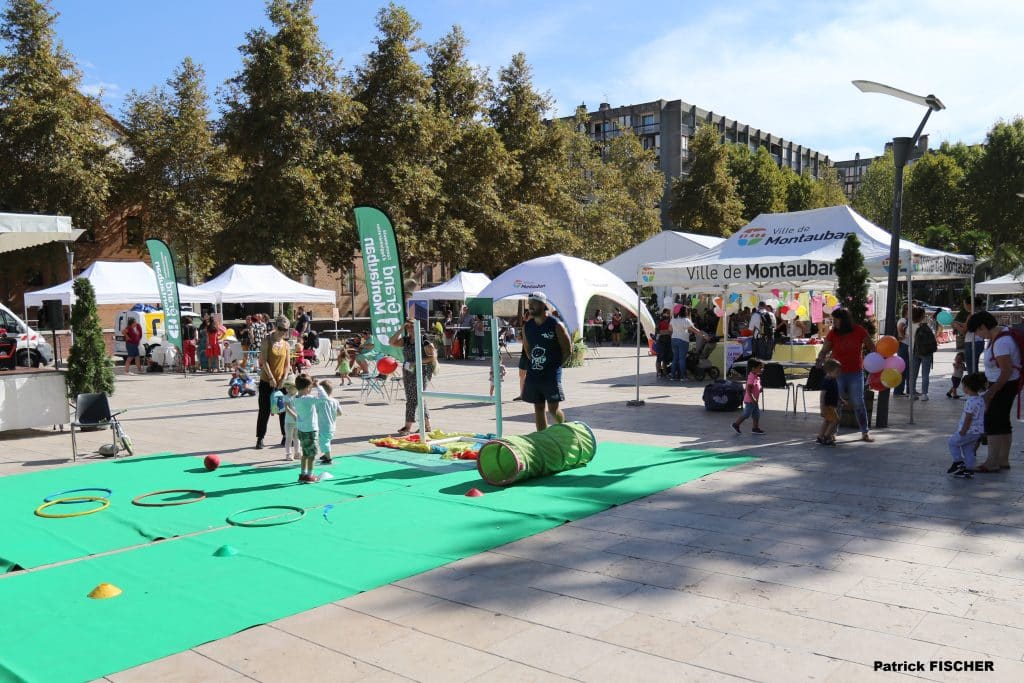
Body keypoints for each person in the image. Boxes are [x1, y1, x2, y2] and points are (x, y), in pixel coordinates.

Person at [967, 311, 1021, 473]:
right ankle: (1003, 460)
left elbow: (1006, 371)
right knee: (1002, 421)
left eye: (977, 331)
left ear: (983, 326)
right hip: (1006, 384)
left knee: (993, 422)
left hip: (1003, 385)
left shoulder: (1001, 343)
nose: (977, 335)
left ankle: (992, 462)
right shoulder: (1000, 335)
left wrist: (991, 392)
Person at [816, 308, 876, 442]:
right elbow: (824, 350)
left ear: (844, 320)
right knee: (836, 403)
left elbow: (872, 346)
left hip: (856, 372)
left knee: (858, 402)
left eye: (836, 320)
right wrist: (820, 358)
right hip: (838, 374)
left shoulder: (859, 330)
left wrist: (874, 361)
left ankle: (864, 432)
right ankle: (832, 433)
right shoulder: (833, 333)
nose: (834, 323)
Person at [522, 291, 571, 431]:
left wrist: (555, 366)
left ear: (543, 305)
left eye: (534, 303)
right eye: (529, 303)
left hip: (551, 375)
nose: (530, 306)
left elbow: (567, 350)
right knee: (538, 408)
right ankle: (542, 437)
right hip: (534, 374)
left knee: (553, 409)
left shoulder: (556, 325)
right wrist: (537, 364)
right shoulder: (527, 326)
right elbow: (528, 349)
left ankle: (565, 430)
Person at [390, 319, 438, 435]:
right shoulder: (406, 340)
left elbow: (432, 357)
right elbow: (391, 342)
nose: (410, 329)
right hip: (408, 370)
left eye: (412, 326)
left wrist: (416, 362)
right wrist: (401, 328)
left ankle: (407, 427)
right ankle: (427, 425)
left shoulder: (424, 340)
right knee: (418, 397)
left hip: (422, 370)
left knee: (413, 397)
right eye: (408, 327)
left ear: (417, 326)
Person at [256, 316, 292, 449]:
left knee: (284, 410)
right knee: (264, 410)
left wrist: (283, 378)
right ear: (276, 327)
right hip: (267, 380)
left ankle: (285, 436)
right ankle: (260, 438)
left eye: (286, 330)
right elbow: (263, 361)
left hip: (281, 382)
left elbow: (287, 365)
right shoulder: (267, 340)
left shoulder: (286, 344)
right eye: (281, 329)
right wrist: (271, 377)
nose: (283, 332)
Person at [947, 372, 988, 479]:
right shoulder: (980, 400)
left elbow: (968, 418)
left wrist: (963, 430)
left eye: (963, 386)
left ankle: (958, 462)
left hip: (968, 431)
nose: (962, 388)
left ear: (967, 387)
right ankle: (969, 470)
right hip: (977, 432)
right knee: (968, 449)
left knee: (952, 442)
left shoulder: (971, 401)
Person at [291, 374, 322, 483]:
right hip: (311, 430)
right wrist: (318, 386)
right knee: (312, 455)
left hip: (301, 430)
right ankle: (310, 475)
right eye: (310, 387)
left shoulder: (295, 398)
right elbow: (323, 398)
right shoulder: (308, 399)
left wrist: (311, 385)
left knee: (305, 454)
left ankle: (303, 474)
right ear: (307, 388)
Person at [670, 306, 708, 381]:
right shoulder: (686, 320)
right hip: (683, 340)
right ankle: (683, 377)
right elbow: (694, 330)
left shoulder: (673, 319)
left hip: (674, 339)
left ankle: (672, 376)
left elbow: (670, 329)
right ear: (685, 312)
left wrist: (677, 330)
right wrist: (703, 335)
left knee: (675, 358)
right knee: (682, 359)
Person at [731, 358, 765, 435]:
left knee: (756, 415)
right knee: (746, 414)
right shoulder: (751, 377)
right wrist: (752, 398)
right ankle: (736, 424)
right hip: (750, 400)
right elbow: (748, 389)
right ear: (753, 368)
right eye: (760, 368)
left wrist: (759, 389)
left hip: (754, 400)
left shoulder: (756, 376)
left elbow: (756, 386)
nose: (761, 369)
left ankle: (755, 428)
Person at [909, 306, 936, 401]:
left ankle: (911, 393)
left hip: (914, 351)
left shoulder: (909, 326)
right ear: (922, 315)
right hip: (926, 352)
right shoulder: (925, 326)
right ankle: (924, 394)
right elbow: (933, 336)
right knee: (925, 374)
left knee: (913, 374)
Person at [816, 359, 842, 446]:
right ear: (829, 371)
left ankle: (820, 436)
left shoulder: (833, 379)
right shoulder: (827, 381)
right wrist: (822, 407)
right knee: (835, 420)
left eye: (839, 371)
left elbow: (835, 392)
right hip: (828, 406)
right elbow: (822, 395)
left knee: (827, 421)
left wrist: (840, 399)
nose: (839, 373)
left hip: (831, 405)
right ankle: (827, 437)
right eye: (837, 372)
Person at [316, 379, 341, 464]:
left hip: (323, 426)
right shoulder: (335, 401)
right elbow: (340, 413)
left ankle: (328, 458)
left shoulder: (320, 402)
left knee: (324, 442)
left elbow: (315, 411)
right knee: (327, 441)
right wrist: (331, 414)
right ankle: (326, 455)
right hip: (332, 426)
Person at [894, 304, 911, 396]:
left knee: (906, 368)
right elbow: (900, 327)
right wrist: (902, 336)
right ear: (906, 310)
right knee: (903, 368)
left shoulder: (906, 320)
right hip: (904, 345)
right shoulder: (903, 320)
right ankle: (898, 391)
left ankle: (906, 390)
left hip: (905, 345)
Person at [282, 382, 298, 461]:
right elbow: (287, 408)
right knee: (289, 438)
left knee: (297, 438)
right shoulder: (286, 397)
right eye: (287, 388)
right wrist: (295, 416)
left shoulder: (298, 396)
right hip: (289, 422)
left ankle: (297, 453)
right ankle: (288, 454)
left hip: (297, 421)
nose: (287, 390)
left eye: (290, 388)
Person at [655, 309, 673, 378]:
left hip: (668, 341)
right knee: (659, 358)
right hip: (661, 341)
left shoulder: (671, 321)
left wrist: (665, 332)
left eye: (669, 313)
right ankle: (658, 372)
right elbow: (657, 331)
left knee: (665, 358)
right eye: (667, 313)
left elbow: (672, 331)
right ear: (663, 313)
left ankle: (665, 373)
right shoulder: (659, 320)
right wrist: (668, 332)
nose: (668, 314)